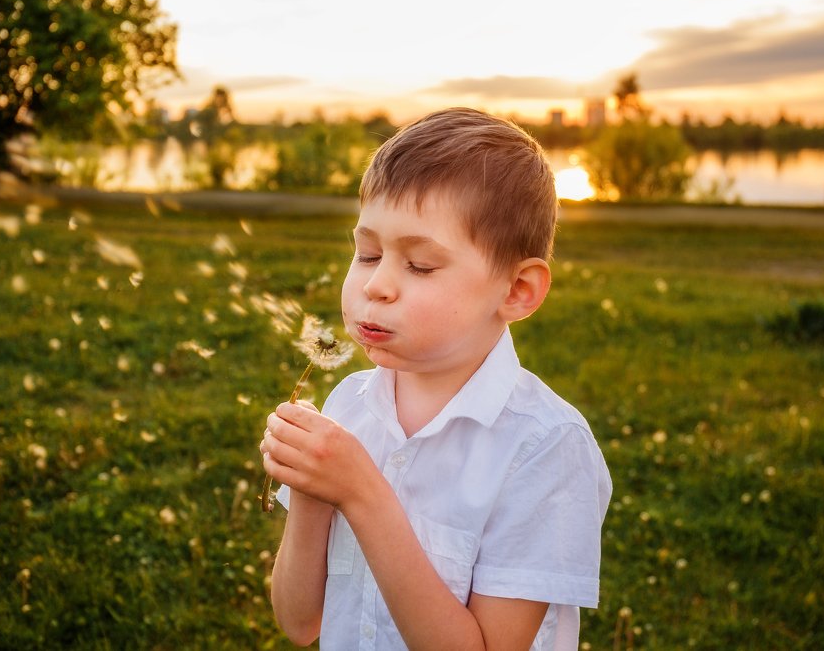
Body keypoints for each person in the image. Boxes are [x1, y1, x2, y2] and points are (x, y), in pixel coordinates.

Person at [260, 107, 612, 650]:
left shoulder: (546, 447)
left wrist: (361, 493)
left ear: (517, 291)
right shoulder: (348, 406)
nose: (376, 285)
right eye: (367, 254)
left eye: (420, 265)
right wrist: (310, 492)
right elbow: (300, 622)